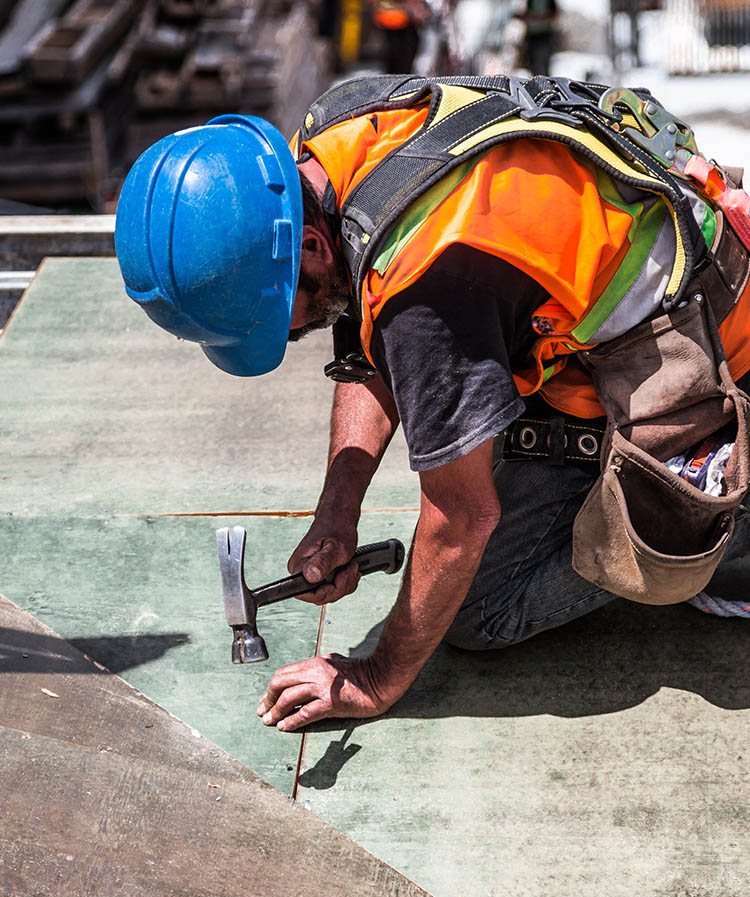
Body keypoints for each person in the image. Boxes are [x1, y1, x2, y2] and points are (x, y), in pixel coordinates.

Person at [115, 75, 750, 733]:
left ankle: (736, 507)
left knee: (482, 610)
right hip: (619, 287)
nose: (293, 330)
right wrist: (338, 514)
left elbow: (463, 517)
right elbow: (367, 347)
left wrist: (374, 678)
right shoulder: (331, 142)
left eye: (284, 314)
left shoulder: (426, 286)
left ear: (308, 246)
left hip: (717, 353)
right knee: (467, 414)